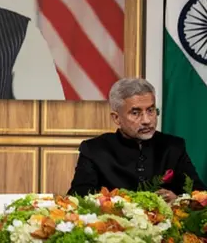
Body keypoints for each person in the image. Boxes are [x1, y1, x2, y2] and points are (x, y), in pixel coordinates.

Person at [68, 77, 206, 202]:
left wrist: (178, 201)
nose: (147, 120)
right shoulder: (94, 150)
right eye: (135, 113)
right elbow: (77, 199)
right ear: (116, 118)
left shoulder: (173, 147)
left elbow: (200, 195)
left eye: (151, 110)